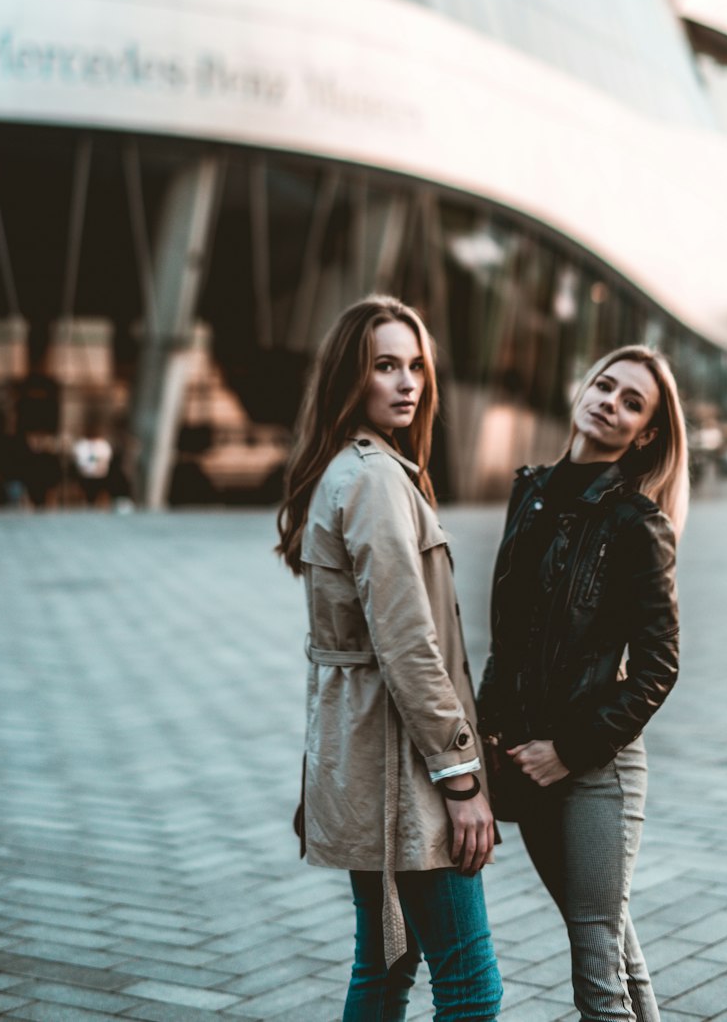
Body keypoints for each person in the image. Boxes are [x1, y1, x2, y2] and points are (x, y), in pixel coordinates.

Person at [276, 295, 502, 1022]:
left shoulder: (346, 469)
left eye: (415, 367)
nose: (407, 383)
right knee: (471, 990)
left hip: (361, 761)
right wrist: (461, 779)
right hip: (403, 774)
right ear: (352, 376)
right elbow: (408, 646)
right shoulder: (373, 479)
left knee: (384, 967)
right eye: (385, 366)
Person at [478, 345, 687, 1022]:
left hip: (595, 766)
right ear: (582, 389)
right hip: (527, 762)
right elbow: (507, 641)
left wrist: (568, 749)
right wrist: (484, 736)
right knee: (612, 942)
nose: (611, 403)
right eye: (606, 385)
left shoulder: (636, 524)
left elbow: (659, 667)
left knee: (594, 964)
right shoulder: (531, 494)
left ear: (645, 433)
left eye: (632, 403)